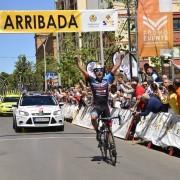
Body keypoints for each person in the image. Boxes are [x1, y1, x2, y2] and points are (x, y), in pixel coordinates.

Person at [74, 53, 123, 143]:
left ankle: (110, 144)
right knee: (93, 118)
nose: (99, 72)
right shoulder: (92, 80)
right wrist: (77, 64)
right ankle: (97, 131)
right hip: (97, 107)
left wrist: (120, 59)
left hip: (105, 107)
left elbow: (115, 67)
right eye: (97, 71)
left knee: (109, 128)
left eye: (101, 70)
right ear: (95, 73)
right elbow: (84, 72)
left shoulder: (107, 79)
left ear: (103, 72)